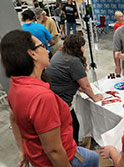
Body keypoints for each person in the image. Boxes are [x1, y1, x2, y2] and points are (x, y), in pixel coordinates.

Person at [0, 30, 99, 167]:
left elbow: (13, 117)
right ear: (32, 53)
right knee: (94, 158)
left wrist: (22, 150)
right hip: (60, 158)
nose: (47, 51)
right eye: (42, 46)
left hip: (36, 157)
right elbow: (53, 150)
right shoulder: (42, 97)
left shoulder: (16, 84)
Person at [45, 34, 103, 145]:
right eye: (83, 46)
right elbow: (86, 86)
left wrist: (78, 86)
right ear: (79, 47)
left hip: (52, 97)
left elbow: (65, 76)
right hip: (62, 101)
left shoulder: (59, 54)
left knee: (70, 126)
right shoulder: (73, 61)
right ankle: (74, 149)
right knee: (73, 126)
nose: (84, 49)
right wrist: (95, 97)